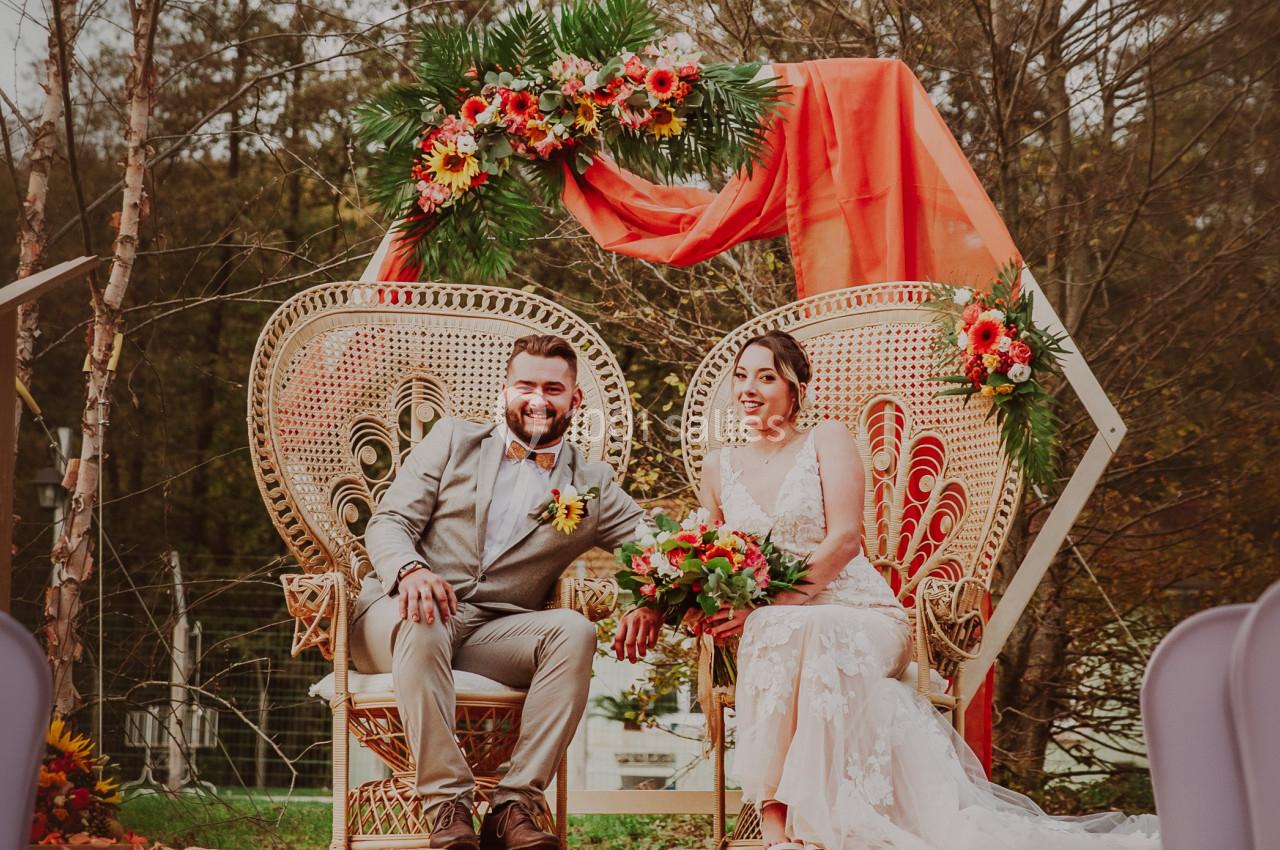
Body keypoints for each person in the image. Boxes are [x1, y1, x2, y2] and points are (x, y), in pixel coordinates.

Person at [614, 329, 1159, 850]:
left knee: (792, 625)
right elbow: (702, 554)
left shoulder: (826, 439)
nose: (749, 388)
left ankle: (805, 822)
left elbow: (845, 539)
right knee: (781, 627)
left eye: (767, 377)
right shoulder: (719, 465)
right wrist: (666, 604)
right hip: (778, 627)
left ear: (796, 389)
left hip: (861, 615)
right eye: (741, 376)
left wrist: (769, 603)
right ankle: (776, 822)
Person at [356, 334, 646, 850]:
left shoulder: (592, 486)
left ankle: (514, 806)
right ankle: (448, 805)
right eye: (526, 386)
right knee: (425, 618)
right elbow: (389, 521)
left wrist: (651, 602)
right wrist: (411, 570)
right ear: (505, 390)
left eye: (553, 389)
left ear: (575, 399)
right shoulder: (453, 440)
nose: (538, 399)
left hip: (492, 633)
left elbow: (660, 550)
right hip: (397, 615)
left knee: (575, 630)